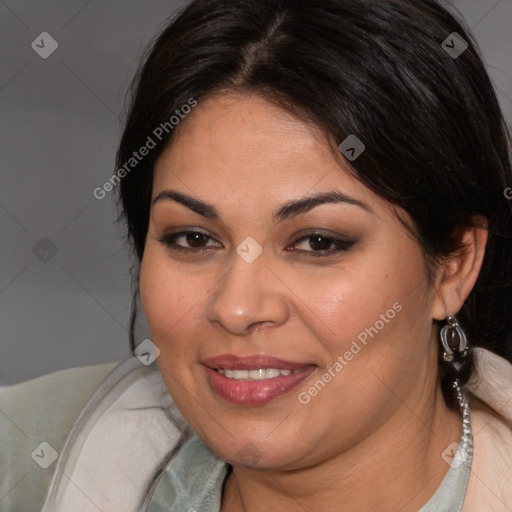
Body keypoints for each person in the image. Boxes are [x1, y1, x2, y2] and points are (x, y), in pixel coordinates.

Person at [1, 0, 512, 510]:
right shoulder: (25, 454)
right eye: (194, 239)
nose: (237, 308)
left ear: (454, 265)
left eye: (318, 242)